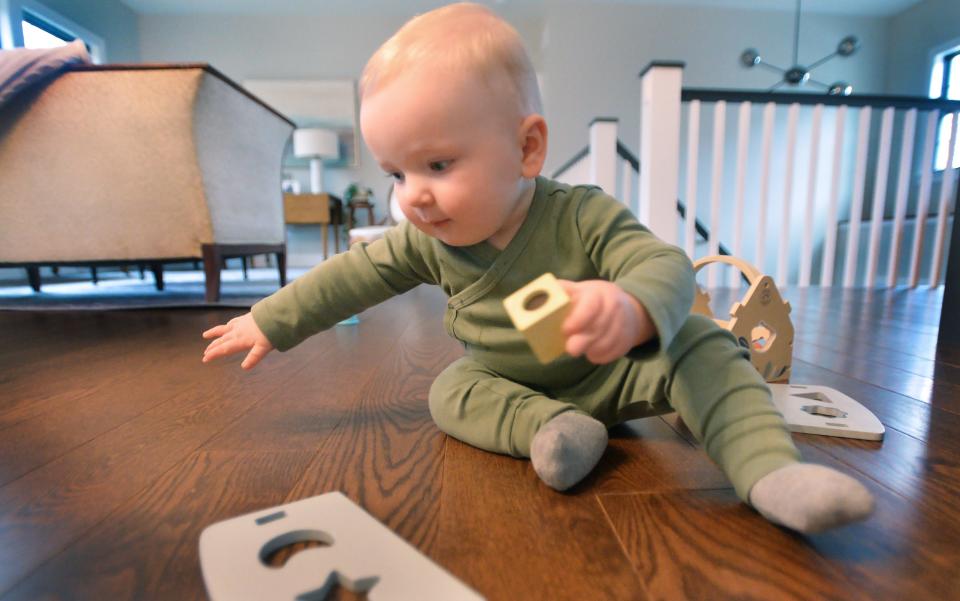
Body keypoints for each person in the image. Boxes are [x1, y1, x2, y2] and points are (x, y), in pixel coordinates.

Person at [202, 2, 873, 533]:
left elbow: (661, 261)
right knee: (450, 390)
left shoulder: (579, 214)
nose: (413, 193)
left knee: (702, 343)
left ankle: (769, 472)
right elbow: (348, 277)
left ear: (526, 148)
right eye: (397, 172)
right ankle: (553, 431)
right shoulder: (426, 239)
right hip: (511, 381)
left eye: (437, 165)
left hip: (614, 373)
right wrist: (271, 319)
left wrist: (631, 307)